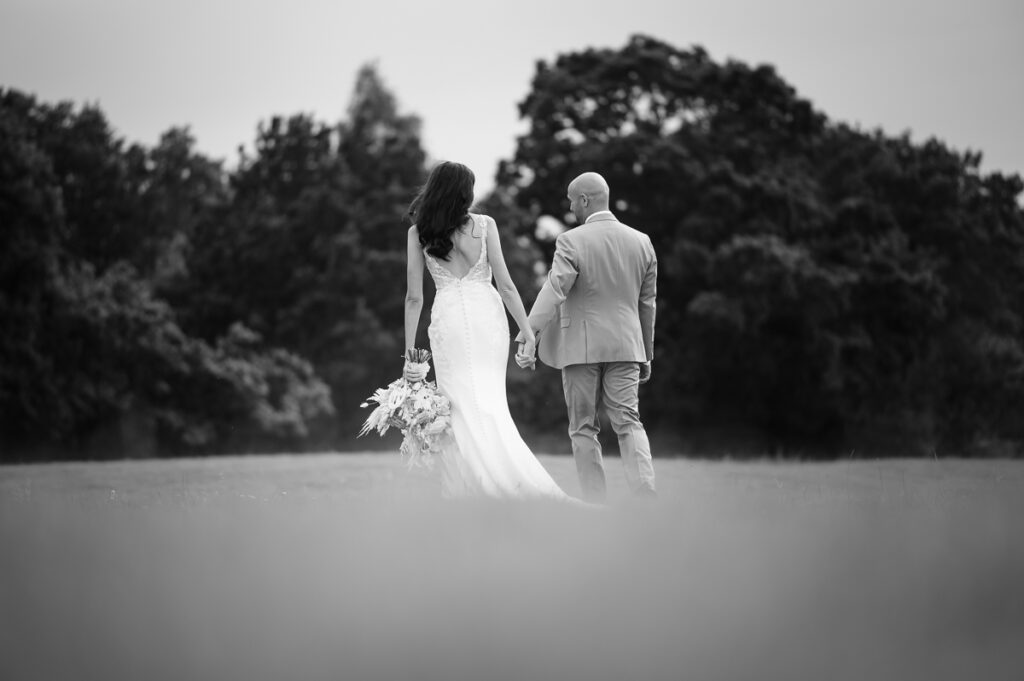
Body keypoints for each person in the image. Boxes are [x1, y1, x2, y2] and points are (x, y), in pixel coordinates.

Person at [403, 161, 572, 500]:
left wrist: (410, 358)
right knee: (490, 399)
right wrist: (526, 331)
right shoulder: (485, 225)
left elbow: (413, 298)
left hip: (448, 317)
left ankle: (467, 487)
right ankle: (498, 478)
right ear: (464, 193)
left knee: (458, 403)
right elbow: (507, 286)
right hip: (486, 316)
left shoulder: (418, 232)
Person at [516, 172, 657, 502]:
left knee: (582, 427)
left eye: (570, 199)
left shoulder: (571, 241)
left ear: (584, 200)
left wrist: (529, 332)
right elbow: (647, 303)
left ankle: (595, 502)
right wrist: (646, 352)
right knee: (628, 422)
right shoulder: (642, 242)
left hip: (581, 349)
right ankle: (644, 490)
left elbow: (555, 288)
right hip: (627, 347)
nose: (569, 206)